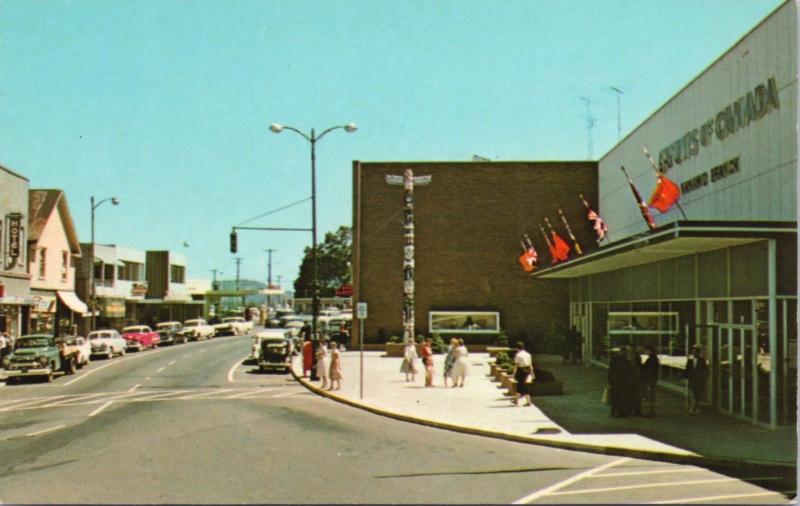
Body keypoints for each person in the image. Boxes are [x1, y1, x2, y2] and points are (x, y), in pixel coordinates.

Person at [685, 345, 709, 414]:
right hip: (692, 379)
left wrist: (703, 377)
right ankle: (695, 407)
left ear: (698, 352)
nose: (693, 353)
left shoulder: (702, 360)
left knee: (697, 393)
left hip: (699, 379)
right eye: (693, 351)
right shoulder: (690, 361)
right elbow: (687, 370)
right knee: (694, 393)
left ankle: (695, 407)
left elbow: (705, 370)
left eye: (695, 351)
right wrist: (686, 377)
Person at [608, 346, 629, 417]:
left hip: (616, 381)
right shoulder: (625, 361)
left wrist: (609, 381)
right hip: (621, 381)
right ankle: (620, 412)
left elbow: (610, 371)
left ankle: (614, 412)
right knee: (621, 397)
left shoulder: (614, 360)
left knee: (616, 397)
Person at [511, 341, 534, 406]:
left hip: (521, 371)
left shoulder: (518, 355)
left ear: (517, 348)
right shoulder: (528, 354)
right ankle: (516, 400)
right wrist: (532, 373)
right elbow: (530, 364)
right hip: (527, 370)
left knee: (522, 386)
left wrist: (513, 373)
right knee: (522, 385)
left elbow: (516, 365)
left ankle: (528, 401)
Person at [641, 345, 660, 417]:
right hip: (652, 379)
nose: (645, 351)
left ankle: (651, 411)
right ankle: (651, 411)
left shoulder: (651, 359)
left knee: (650, 395)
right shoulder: (654, 358)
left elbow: (649, 370)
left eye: (646, 350)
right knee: (651, 395)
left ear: (649, 351)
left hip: (650, 380)